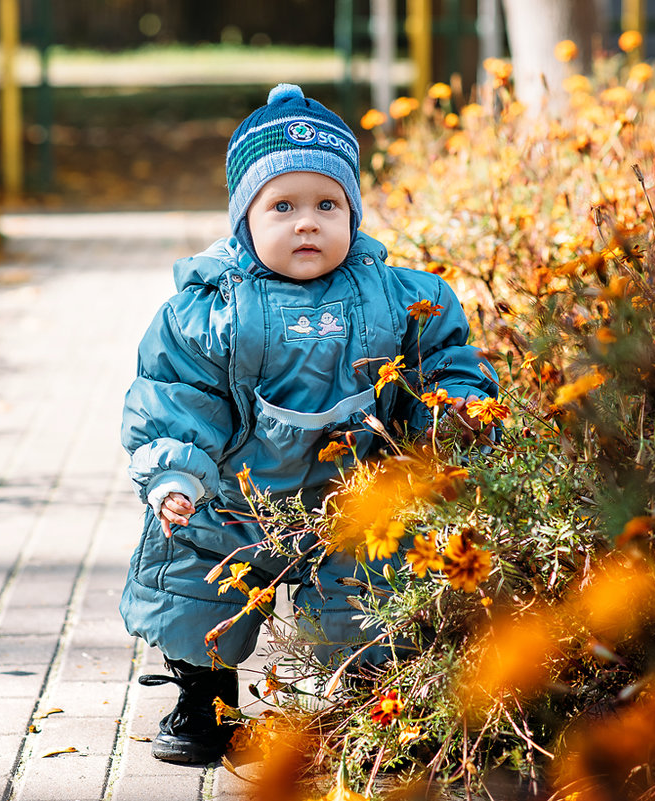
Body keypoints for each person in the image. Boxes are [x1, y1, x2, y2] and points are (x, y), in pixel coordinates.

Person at [119, 84, 497, 765]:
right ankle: (206, 698)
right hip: (236, 499)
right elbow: (178, 392)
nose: (306, 224)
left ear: (352, 211)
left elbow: (440, 357)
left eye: (328, 205)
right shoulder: (211, 311)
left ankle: (376, 699)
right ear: (244, 220)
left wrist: (449, 417)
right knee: (195, 571)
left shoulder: (398, 295)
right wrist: (176, 468)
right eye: (282, 206)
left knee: (372, 588)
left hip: (350, 499)